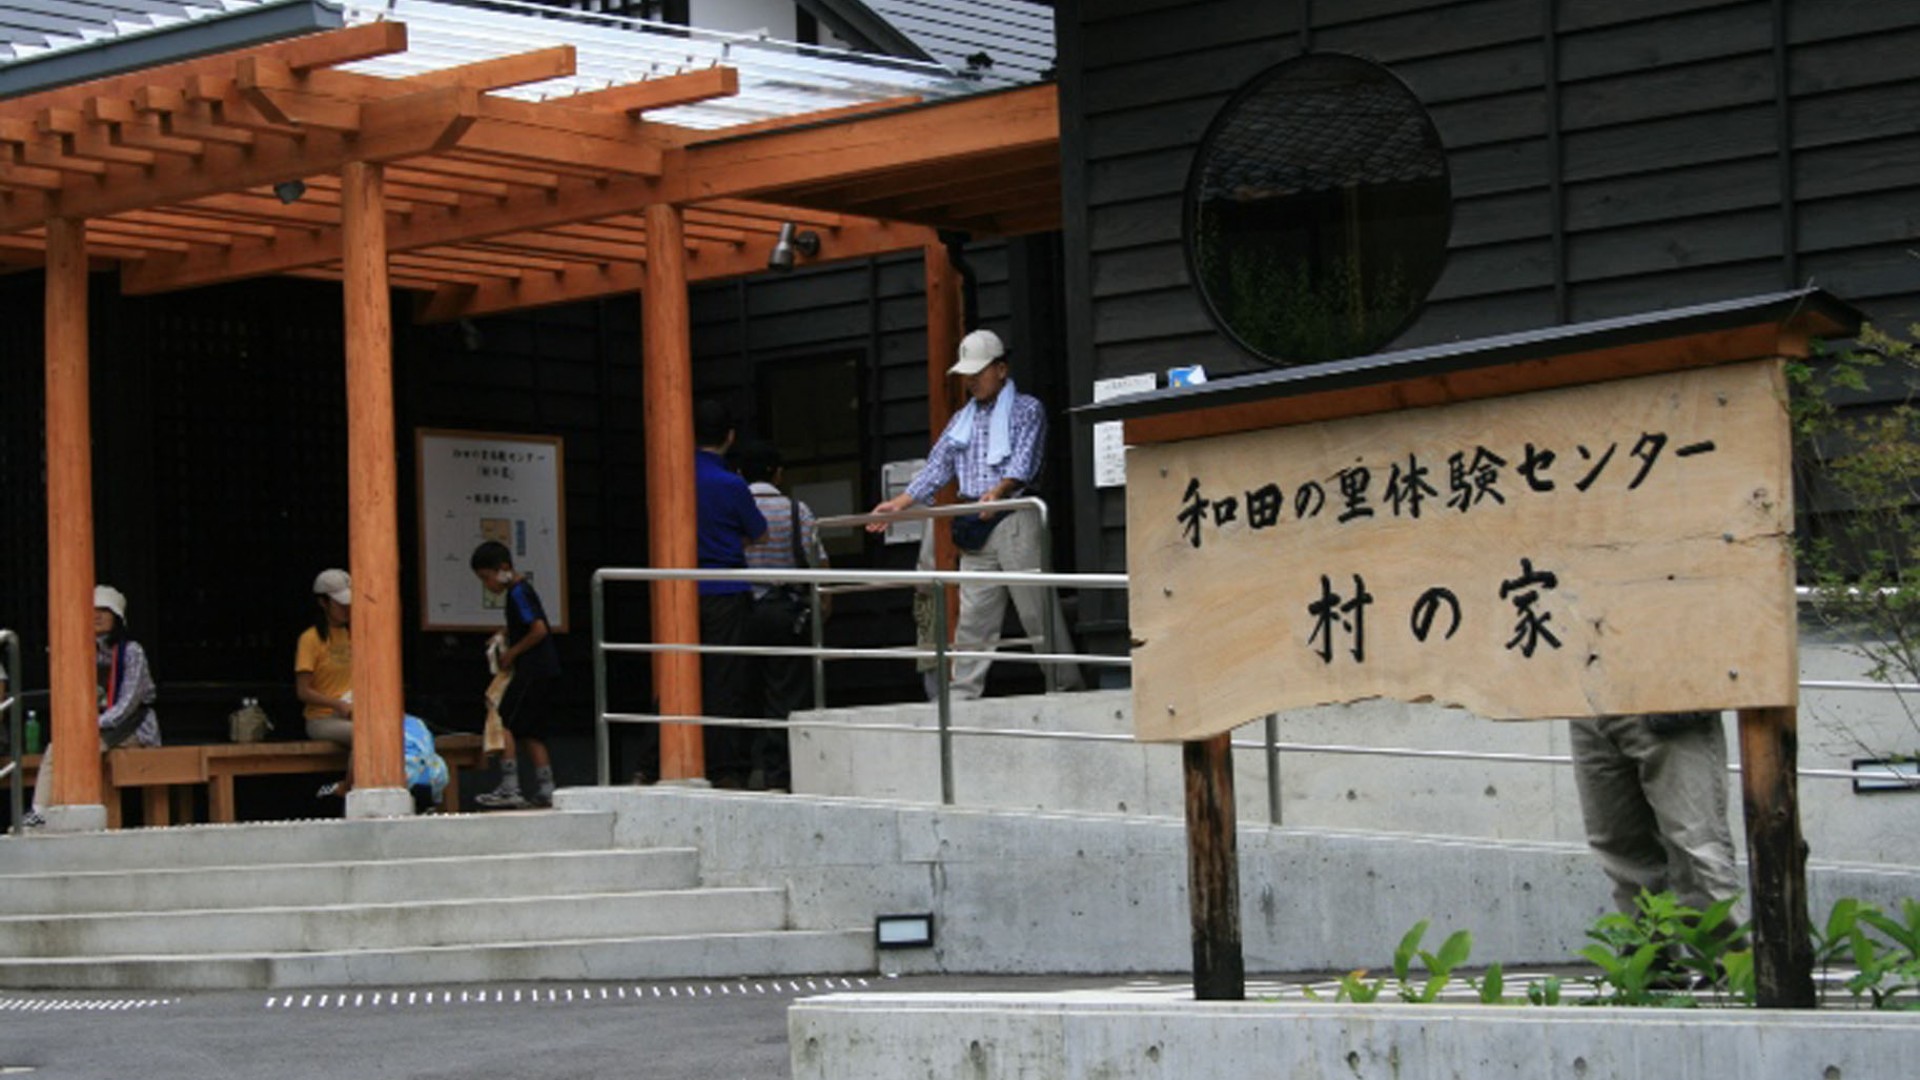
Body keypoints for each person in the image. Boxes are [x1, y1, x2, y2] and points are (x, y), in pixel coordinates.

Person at [868, 328, 1084, 700]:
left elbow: (1024, 464)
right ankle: (963, 696)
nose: (971, 381)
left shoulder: (1026, 409)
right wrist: (901, 503)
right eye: (967, 374)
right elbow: (938, 466)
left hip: (1013, 514)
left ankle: (1065, 685)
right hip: (974, 519)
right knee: (973, 619)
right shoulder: (961, 420)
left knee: (1035, 609)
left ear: (1001, 369)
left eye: (978, 372)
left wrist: (998, 492)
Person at [1569, 711, 1745, 939]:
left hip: (1669, 698)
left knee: (1696, 854)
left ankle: (1731, 969)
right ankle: (1652, 971)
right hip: (1588, 702)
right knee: (1623, 855)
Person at [25, 585, 161, 827]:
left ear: (117, 618)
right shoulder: (83, 651)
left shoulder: (132, 652)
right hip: (94, 725)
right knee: (59, 746)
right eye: (92, 611)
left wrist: (88, 726)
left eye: (104, 611)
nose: (96, 616)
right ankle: (40, 811)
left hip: (132, 727)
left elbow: (128, 704)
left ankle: (67, 814)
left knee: (75, 749)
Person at [738, 440, 829, 791]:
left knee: (743, 690)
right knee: (786, 694)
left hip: (743, 609)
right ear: (778, 473)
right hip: (787, 610)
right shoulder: (797, 510)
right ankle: (779, 776)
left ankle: (740, 769)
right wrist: (823, 606)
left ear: (740, 474)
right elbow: (818, 561)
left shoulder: (737, 506)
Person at [694, 400, 768, 783]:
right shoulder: (731, 483)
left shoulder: (677, 476)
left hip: (681, 588)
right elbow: (759, 532)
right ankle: (725, 769)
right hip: (726, 586)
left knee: (679, 672)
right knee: (726, 682)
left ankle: (652, 762)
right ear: (730, 436)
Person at [471, 541, 563, 809]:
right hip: (546, 670)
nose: (487, 584)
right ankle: (547, 788)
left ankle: (510, 787)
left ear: (503, 568)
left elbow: (538, 629)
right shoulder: (521, 591)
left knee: (506, 720)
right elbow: (526, 623)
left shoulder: (518, 593)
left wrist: (512, 653)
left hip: (532, 670)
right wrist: (505, 632)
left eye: (487, 577)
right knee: (532, 732)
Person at [295, 568, 355, 799]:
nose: (346, 609)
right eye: (340, 604)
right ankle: (347, 789)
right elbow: (303, 691)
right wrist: (338, 705)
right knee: (363, 737)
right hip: (322, 717)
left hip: (352, 711)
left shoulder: (355, 634)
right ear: (323, 603)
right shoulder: (310, 639)